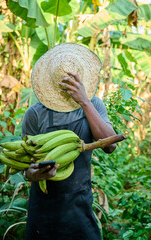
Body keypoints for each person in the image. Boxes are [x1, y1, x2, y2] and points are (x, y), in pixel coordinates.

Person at [22, 43, 116, 240]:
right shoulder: (35, 114)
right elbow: (25, 166)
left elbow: (110, 145)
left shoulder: (93, 104)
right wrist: (33, 174)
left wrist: (84, 101)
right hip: (43, 209)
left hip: (79, 205)